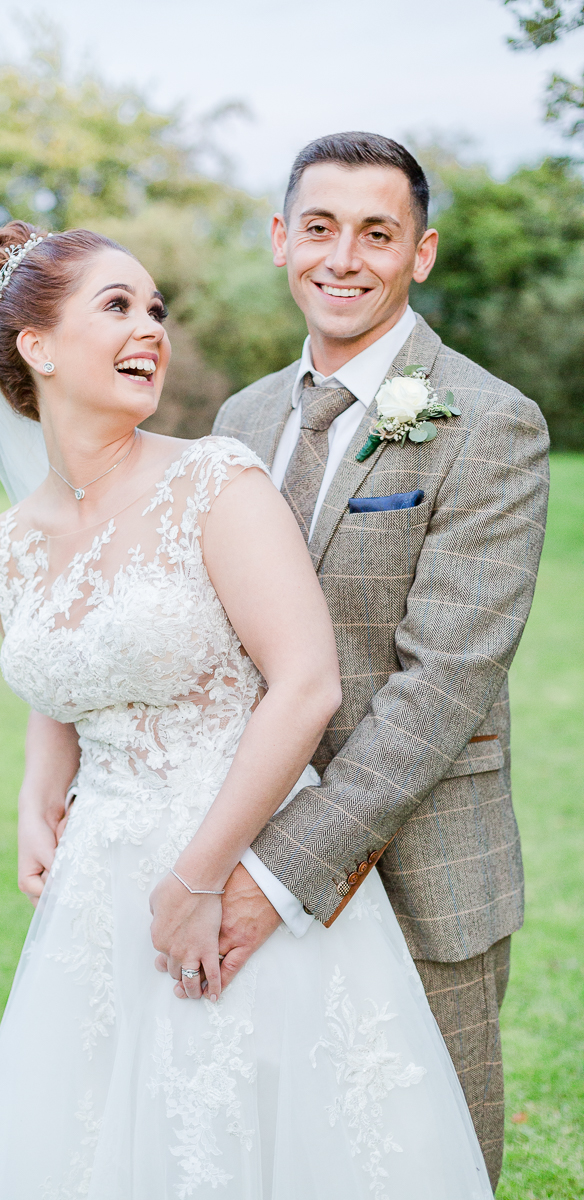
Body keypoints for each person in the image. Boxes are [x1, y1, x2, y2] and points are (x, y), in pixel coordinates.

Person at [0, 222, 495, 1200]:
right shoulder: (4, 545)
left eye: (154, 309)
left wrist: (202, 879)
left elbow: (304, 684)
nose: (150, 329)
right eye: (116, 306)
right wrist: (38, 789)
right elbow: (59, 675)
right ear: (35, 348)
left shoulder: (214, 483)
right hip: (100, 880)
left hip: (243, 862)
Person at [205, 131, 550, 1191]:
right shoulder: (240, 421)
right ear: (279, 240)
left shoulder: (489, 423)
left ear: (422, 253)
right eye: (318, 228)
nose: (342, 257)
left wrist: (281, 869)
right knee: (268, 1144)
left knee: (420, 1155)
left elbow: (442, 685)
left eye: (375, 233)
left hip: (415, 870)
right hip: (238, 845)